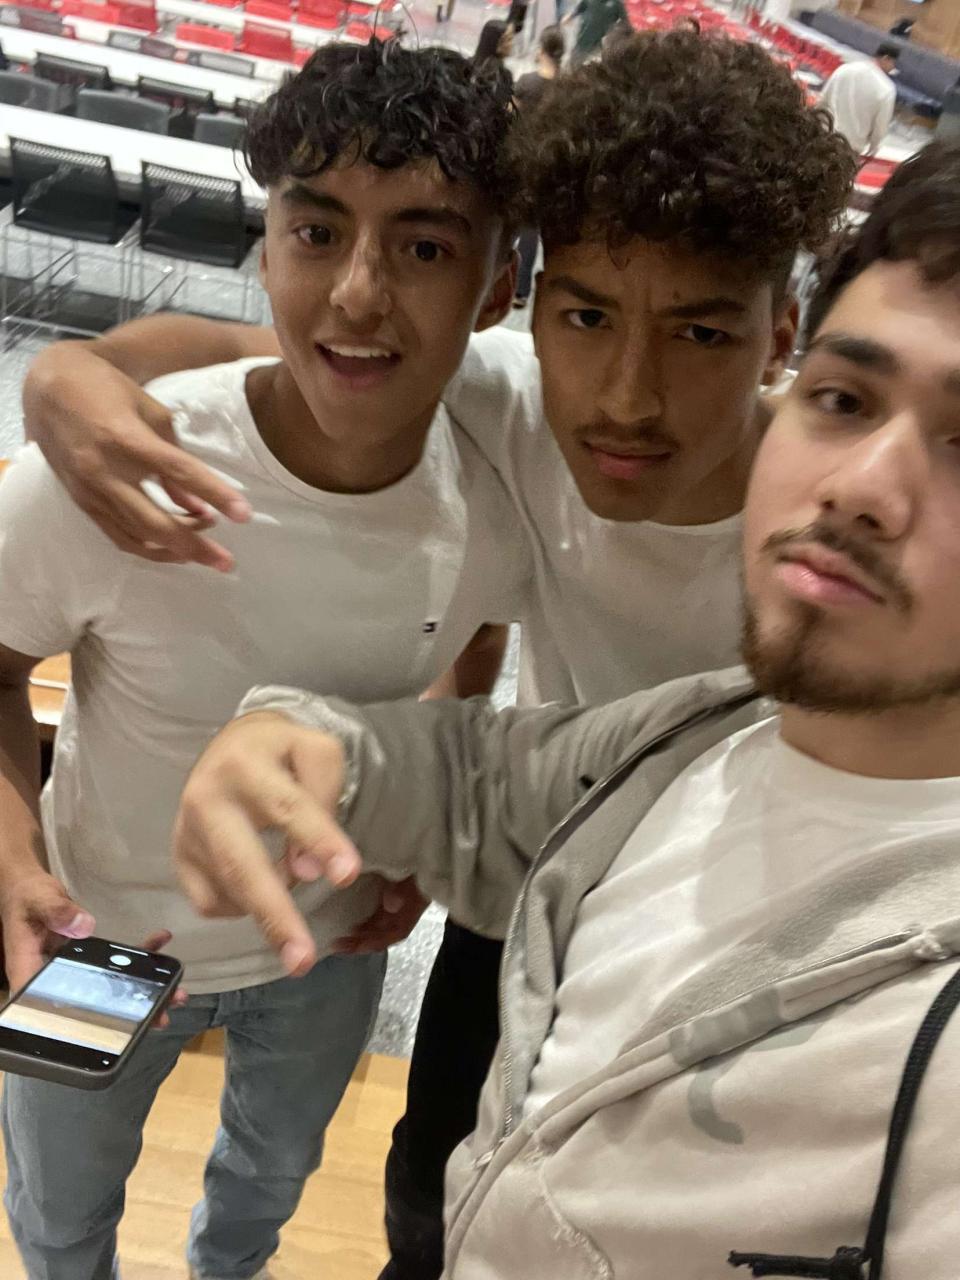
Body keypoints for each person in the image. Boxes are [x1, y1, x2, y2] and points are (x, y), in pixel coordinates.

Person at [20, 33, 855, 1280]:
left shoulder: (835, 529)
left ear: (780, 331)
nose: (627, 396)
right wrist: (69, 369)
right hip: (487, 880)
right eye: (588, 316)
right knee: (405, 1190)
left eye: (701, 333)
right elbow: (281, 350)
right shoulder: (512, 398)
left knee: (599, 1219)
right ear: (532, 307)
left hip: (724, 932)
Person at [174, 140, 960, 1277]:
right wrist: (289, 738)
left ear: (770, 345)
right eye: (847, 400)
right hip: (553, 862)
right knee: (426, 1182)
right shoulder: (693, 733)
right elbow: (484, 779)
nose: (862, 487)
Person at [0, 38, 530, 1280]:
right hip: (96, 932)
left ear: (495, 286)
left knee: (265, 1189)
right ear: (269, 243)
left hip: (327, 949)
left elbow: (479, 635)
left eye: (424, 247)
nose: (358, 293)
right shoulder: (119, 459)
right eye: (317, 231)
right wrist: (11, 854)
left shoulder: (500, 491)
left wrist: (424, 818)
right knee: (59, 1215)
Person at [511, 24, 565, 311]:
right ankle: (529, 289)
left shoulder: (527, 83)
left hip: (524, 158)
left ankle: (509, 285)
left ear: (541, 50)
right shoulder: (566, 87)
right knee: (540, 229)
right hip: (552, 161)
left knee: (518, 226)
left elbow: (510, 116)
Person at [818, 41, 900, 158]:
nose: (892, 67)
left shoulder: (845, 69)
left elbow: (822, 101)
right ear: (886, 58)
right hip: (848, 149)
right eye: (893, 63)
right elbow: (880, 127)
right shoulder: (887, 89)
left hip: (823, 136)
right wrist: (873, 148)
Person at [562, 0, 628, 64]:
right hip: (583, 39)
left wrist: (614, 32)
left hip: (600, 44)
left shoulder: (616, 3)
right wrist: (570, 16)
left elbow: (625, 22)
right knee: (573, 63)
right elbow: (581, 7)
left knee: (596, 65)